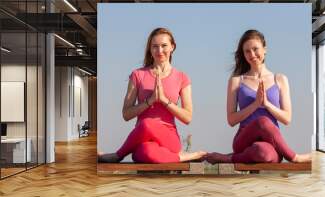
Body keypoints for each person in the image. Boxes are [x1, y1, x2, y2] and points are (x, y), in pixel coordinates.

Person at [98, 27, 207, 163]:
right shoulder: (138, 75)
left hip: (168, 137)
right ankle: (183, 157)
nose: (160, 51)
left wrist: (163, 100)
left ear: (172, 47)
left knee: (147, 123)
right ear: (150, 49)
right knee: (146, 152)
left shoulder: (182, 77)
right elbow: (126, 114)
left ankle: (118, 155)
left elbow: (187, 117)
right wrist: (150, 101)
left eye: (164, 46)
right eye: (155, 46)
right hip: (142, 138)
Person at [206, 29, 311, 164]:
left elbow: (287, 118)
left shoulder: (279, 79)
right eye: (247, 51)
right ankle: (294, 157)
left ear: (264, 49)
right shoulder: (236, 81)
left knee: (263, 154)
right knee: (262, 121)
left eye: (255, 49)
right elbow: (231, 120)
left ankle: (228, 158)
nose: (252, 54)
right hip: (244, 138)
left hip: (271, 142)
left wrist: (267, 104)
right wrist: (255, 104)